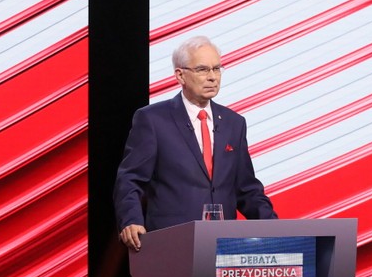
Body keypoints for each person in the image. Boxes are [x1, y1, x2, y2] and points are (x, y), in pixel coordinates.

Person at [114, 35, 277, 251]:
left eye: (217, 69)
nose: (212, 77)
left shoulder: (234, 123)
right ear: (180, 75)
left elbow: (246, 189)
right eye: (202, 70)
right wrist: (131, 220)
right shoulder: (153, 120)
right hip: (172, 245)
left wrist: (276, 229)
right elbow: (130, 179)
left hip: (224, 246)